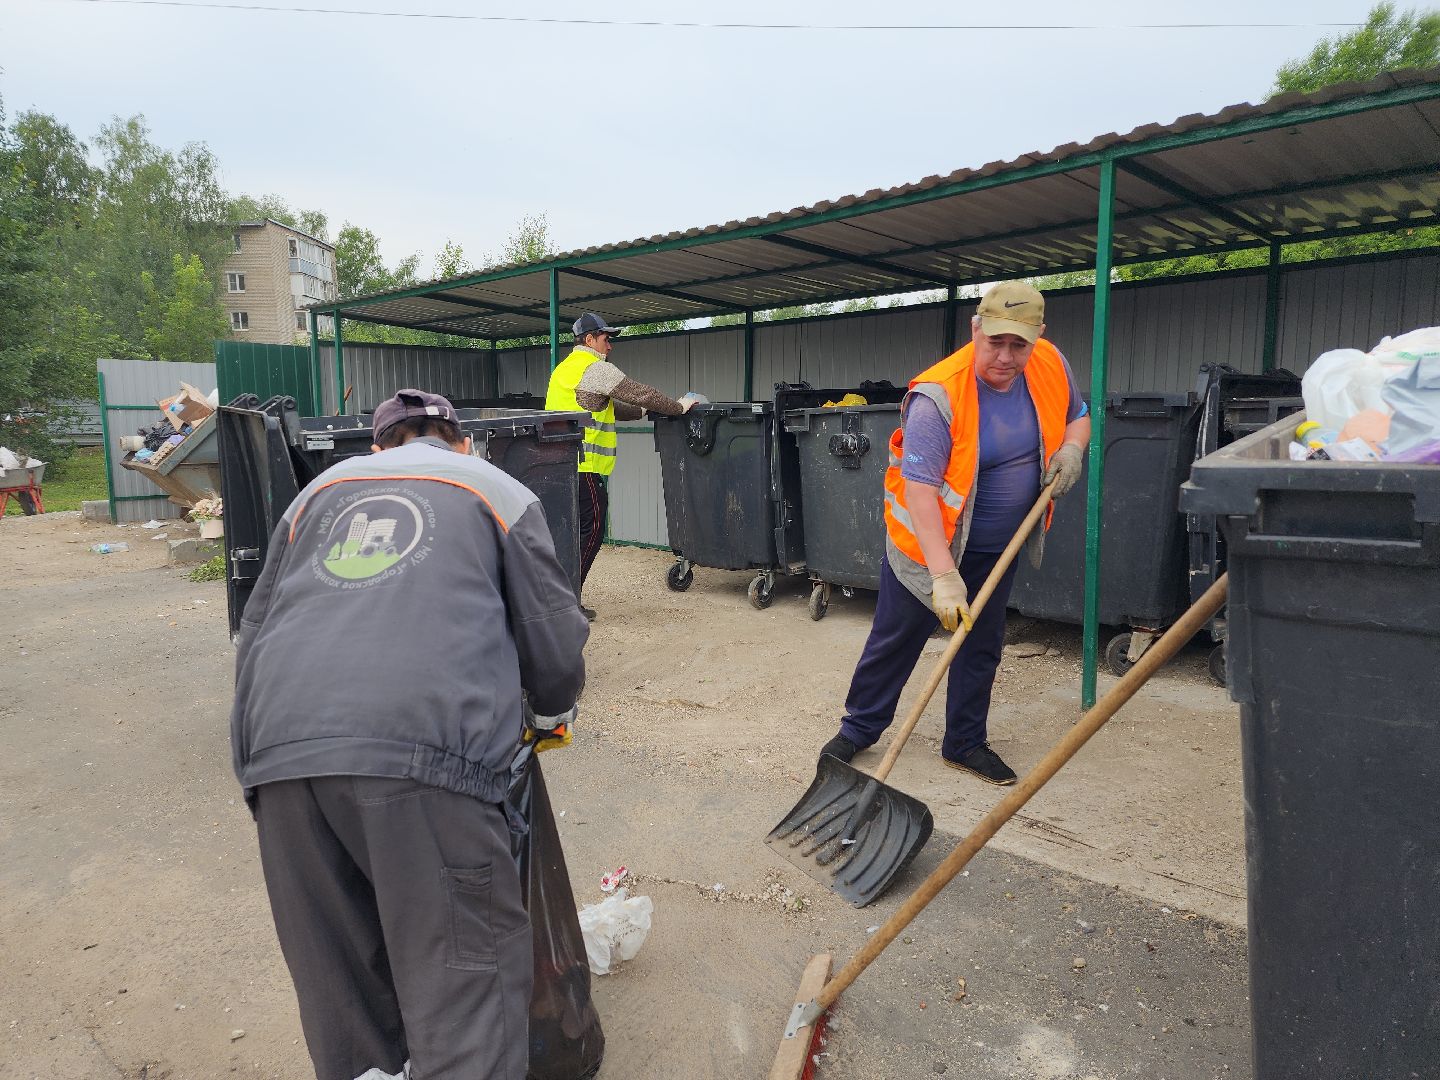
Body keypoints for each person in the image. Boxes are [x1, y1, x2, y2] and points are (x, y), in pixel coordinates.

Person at [230, 388, 588, 1080]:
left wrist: (258, 773)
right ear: (460, 441)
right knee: (465, 998)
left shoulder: (316, 494)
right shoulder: (495, 488)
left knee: (348, 1005)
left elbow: (255, 632)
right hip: (427, 763)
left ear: (378, 449)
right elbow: (553, 639)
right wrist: (548, 713)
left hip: (281, 762)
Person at [818, 282, 1090, 786]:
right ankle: (858, 730)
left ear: (1039, 336)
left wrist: (1073, 449)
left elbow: (1077, 417)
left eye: (1019, 345)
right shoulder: (938, 397)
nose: (1007, 357)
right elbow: (921, 495)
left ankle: (964, 742)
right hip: (927, 548)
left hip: (997, 546)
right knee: (896, 641)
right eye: (996, 343)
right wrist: (943, 575)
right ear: (975, 329)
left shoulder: (1050, 363)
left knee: (981, 643)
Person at [546, 312, 695, 620]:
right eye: (606, 339)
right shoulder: (593, 367)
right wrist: (678, 407)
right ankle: (565, 603)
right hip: (582, 465)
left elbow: (612, 407)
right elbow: (639, 391)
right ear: (590, 340)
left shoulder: (566, 370)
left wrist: (643, 411)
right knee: (594, 529)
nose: (609, 346)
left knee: (571, 536)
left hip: (558, 465)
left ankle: (557, 600)